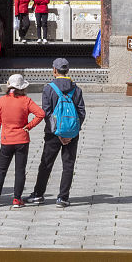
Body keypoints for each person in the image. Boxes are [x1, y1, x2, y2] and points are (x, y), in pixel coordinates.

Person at [27, 58, 86, 207]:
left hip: (53, 133)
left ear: (54, 70)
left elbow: (46, 113)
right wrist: (71, 131)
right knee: (68, 164)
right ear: (67, 71)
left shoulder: (49, 88)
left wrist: (58, 133)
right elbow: (81, 113)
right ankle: (63, 197)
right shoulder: (76, 89)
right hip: (72, 133)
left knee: (46, 163)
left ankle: (38, 194)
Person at [0, 73, 45, 208]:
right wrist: (29, 126)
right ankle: (17, 199)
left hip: (6, 140)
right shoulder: (26, 100)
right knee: (20, 170)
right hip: (22, 140)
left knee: (1, 170)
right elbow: (41, 114)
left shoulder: (2, 101)